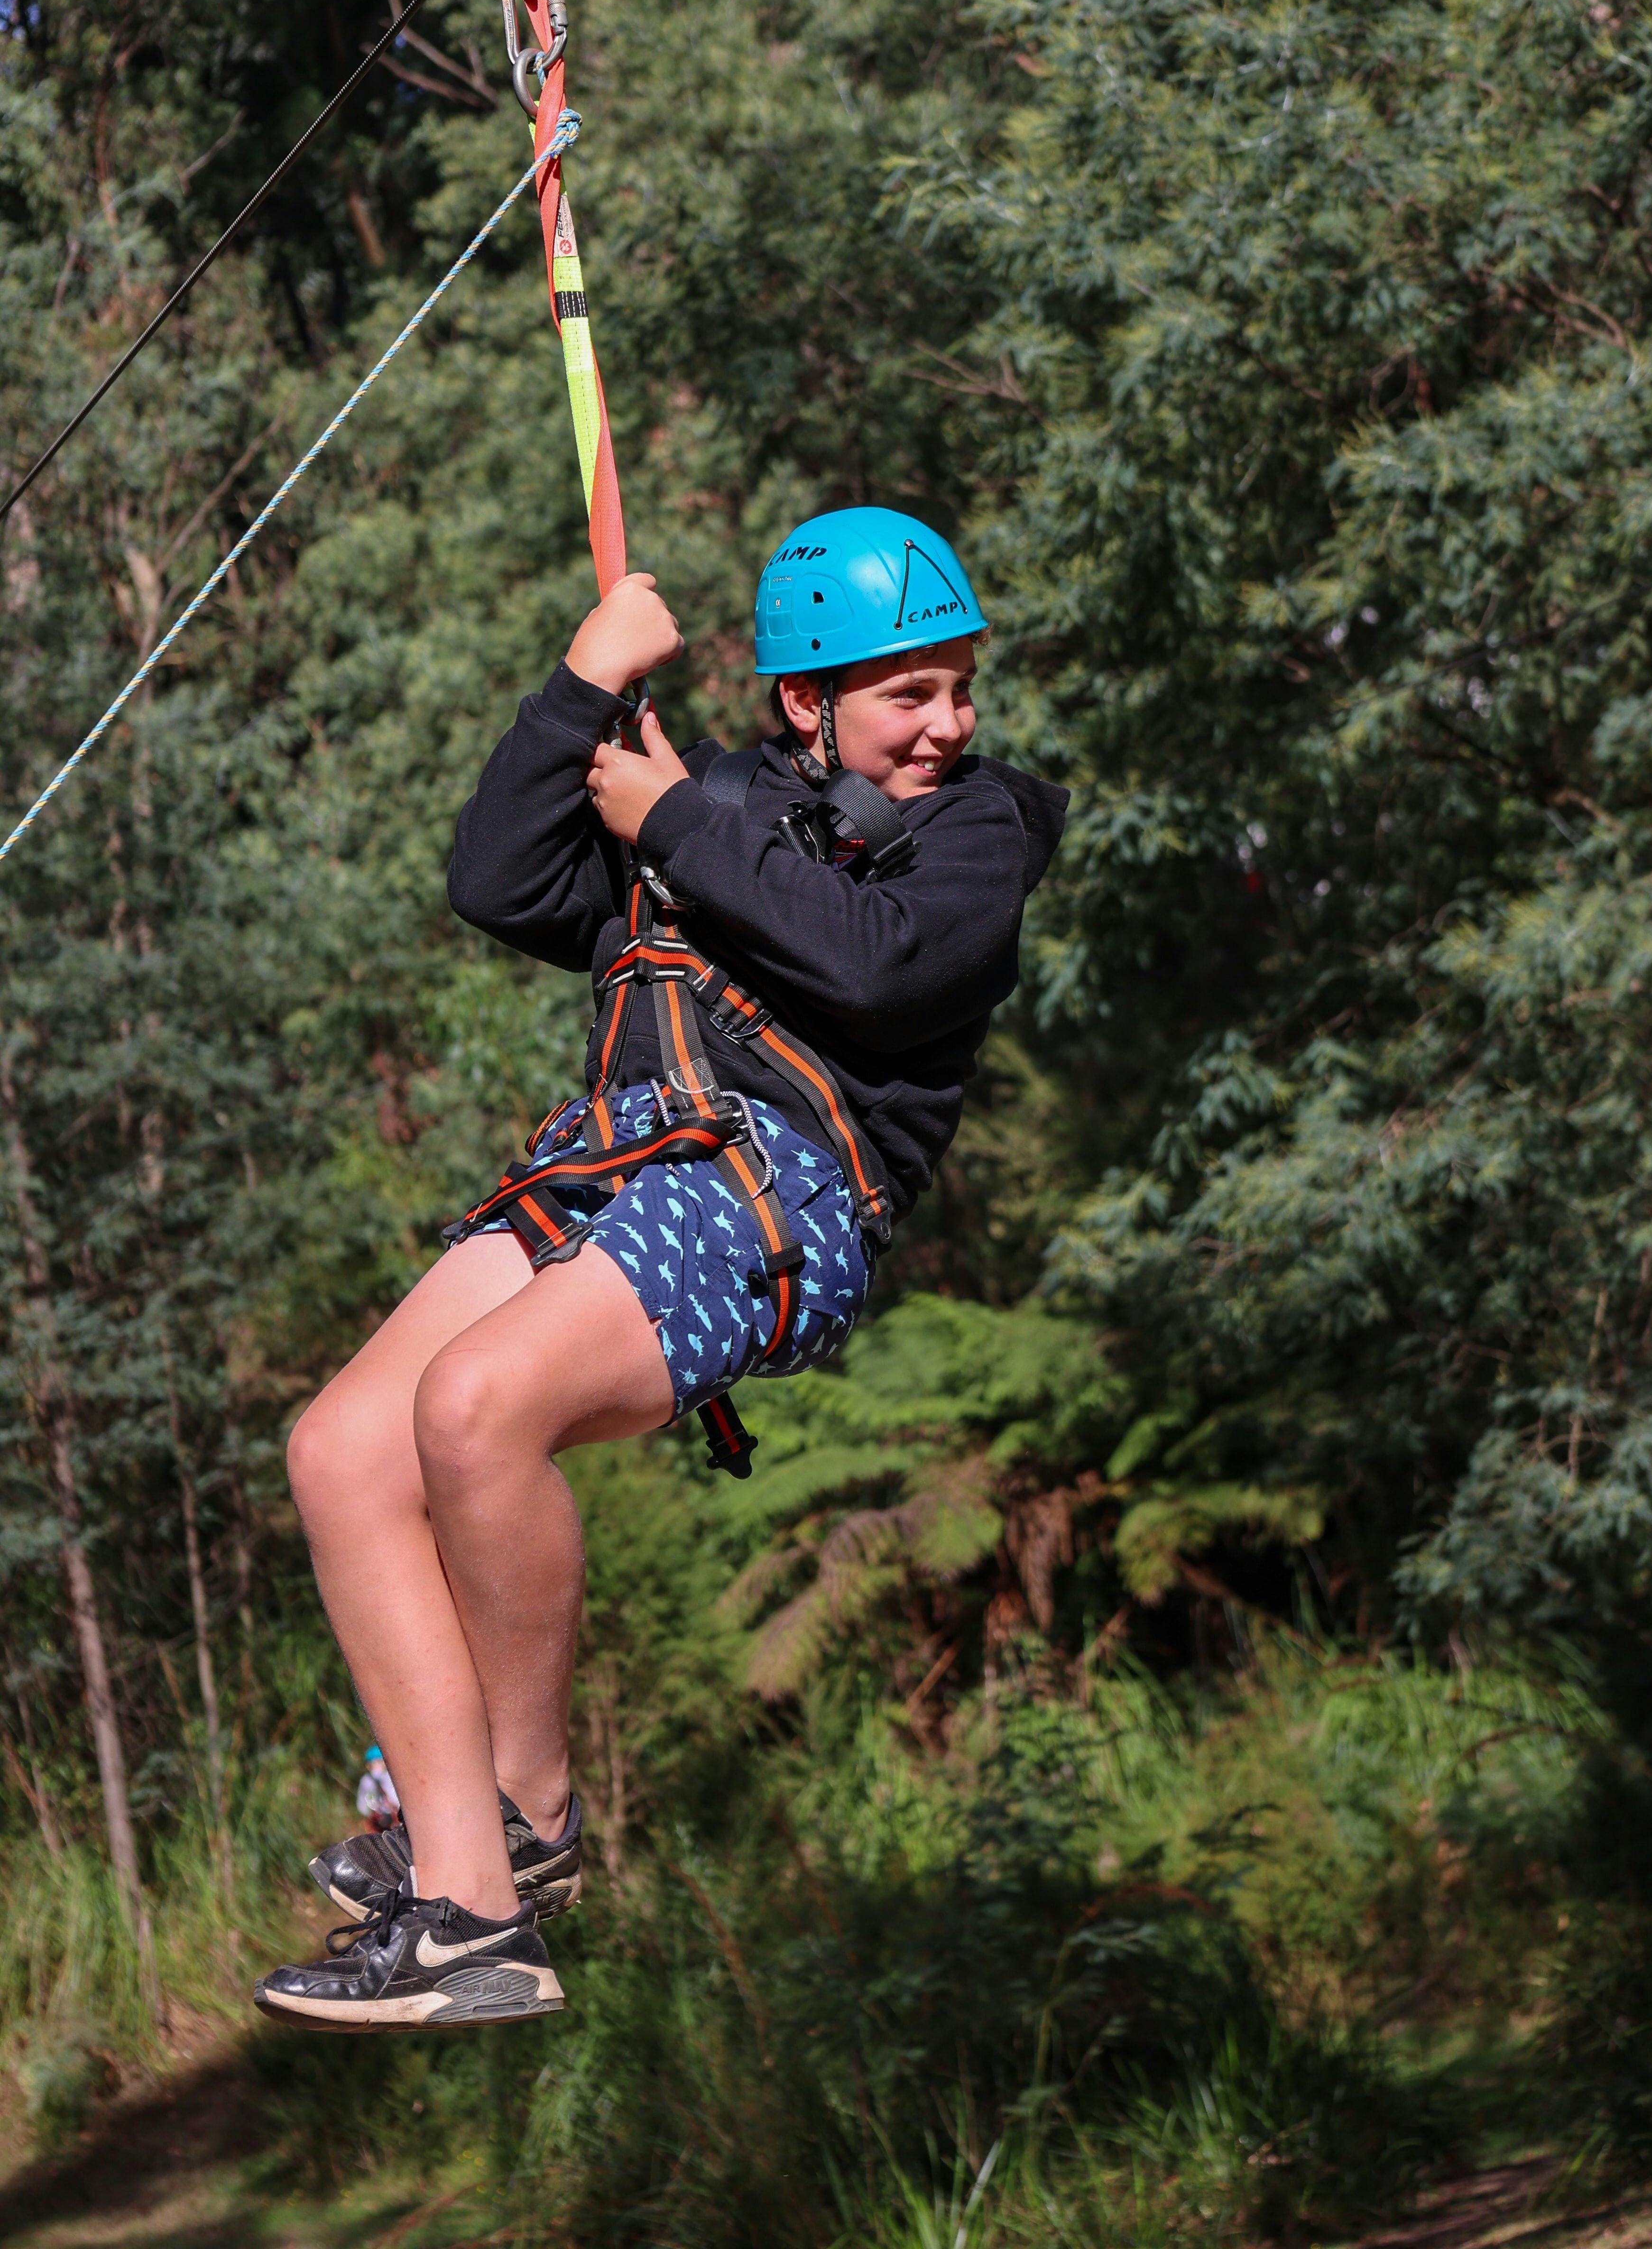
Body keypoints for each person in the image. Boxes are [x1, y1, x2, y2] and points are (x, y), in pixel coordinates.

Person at [253, 508, 1067, 2030]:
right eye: (910, 693)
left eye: (960, 685)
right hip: (618, 1161)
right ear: (806, 703)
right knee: (344, 1447)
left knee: (477, 1406)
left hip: (786, 1187)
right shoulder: (695, 800)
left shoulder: (983, 826)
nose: (948, 722)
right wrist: (580, 694)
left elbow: (876, 967)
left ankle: (528, 1824)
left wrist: (673, 816)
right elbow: (497, 884)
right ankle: (459, 1886)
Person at [355, 1743, 400, 1832]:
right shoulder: (389, 1777)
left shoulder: (366, 1779)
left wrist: (368, 1812)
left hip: (376, 1817)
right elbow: (395, 1798)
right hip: (392, 1815)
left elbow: (362, 1804)